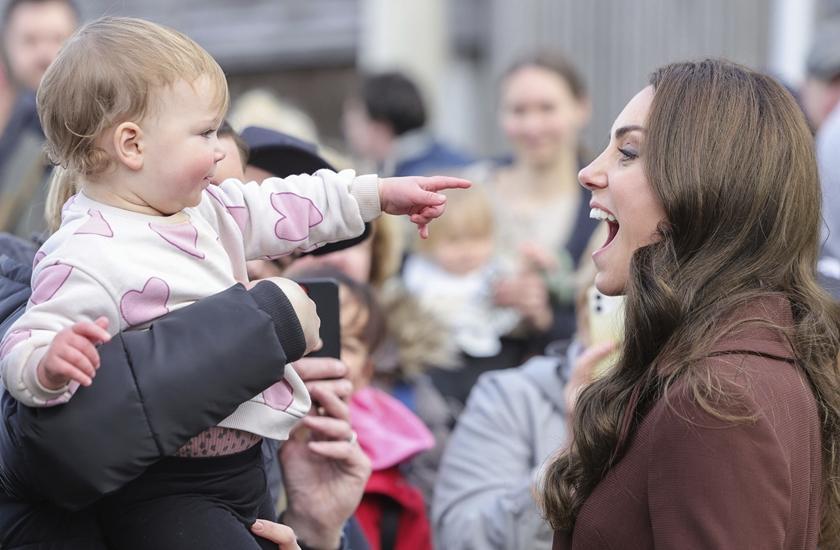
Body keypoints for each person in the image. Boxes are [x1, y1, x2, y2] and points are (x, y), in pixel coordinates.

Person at [2, 16, 468, 549]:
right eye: (204, 133)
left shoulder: (205, 210)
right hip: (168, 487)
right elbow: (27, 338)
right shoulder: (85, 250)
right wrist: (48, 363)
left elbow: (293, 205)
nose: (220, 150)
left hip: (245, 463)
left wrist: (378, 194)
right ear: (132, 145)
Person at [539, 59, 840, 549]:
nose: (589, 172)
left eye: (629, 152)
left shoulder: (718, 398)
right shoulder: (728, 367)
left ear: (707, 188)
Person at [0, 230, 371, 549]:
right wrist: (273, 319)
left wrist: (315, 529)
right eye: (210, 225)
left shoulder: (278, 428)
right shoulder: (33, 319)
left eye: (273, 256)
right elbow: (57, 444)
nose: (253, 264)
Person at [431, 277, 614, 550]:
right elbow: (458, 538)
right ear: (586, 308)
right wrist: (570, 461)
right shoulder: (510, 395)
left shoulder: (684, 402)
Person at [464, 53, 599, 372]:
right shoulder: (471, 189)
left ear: (581, 109)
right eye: (518, 111)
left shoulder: (603, 205)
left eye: (547, 108)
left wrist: (546, 316)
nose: (532, 125)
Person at [0, 0, 78, 237]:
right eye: (30, 41)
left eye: (57, 39)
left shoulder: (90, 130)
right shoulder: (20, 117)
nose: (44, 54)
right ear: (6, 46)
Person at [342, 71, 473, 177]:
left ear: (380, 128)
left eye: (354, 122)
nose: (348, 131)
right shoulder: (450, 158)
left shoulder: (415, 181)